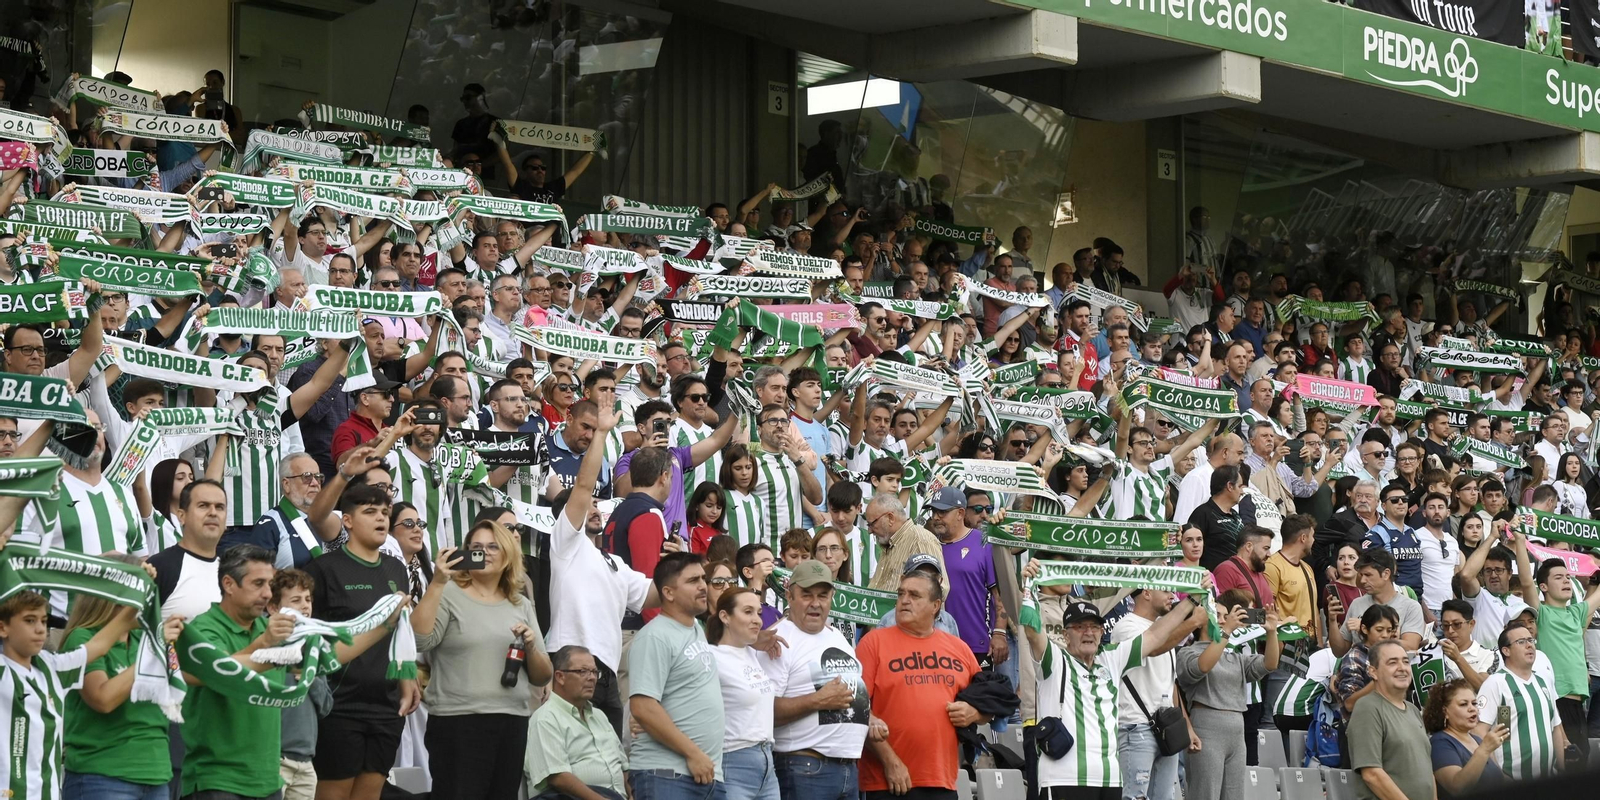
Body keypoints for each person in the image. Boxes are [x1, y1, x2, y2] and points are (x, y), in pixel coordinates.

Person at [176, 545, 397, 800]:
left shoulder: (270, 628)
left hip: (268, 780)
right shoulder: (203, 629)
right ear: (228, 584)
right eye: (258, 584)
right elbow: (220, 671)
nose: (267, 593)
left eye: (269, 584)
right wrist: (265, 643)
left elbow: (329, 656)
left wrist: (385, 626)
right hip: (218, 781)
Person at [415, 519, 553, 800]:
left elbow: (542, 676)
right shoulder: (448, 594)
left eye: (493, 546)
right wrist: (438, 582)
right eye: (476, 547)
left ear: (507, 553)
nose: (485, 552)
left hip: (511, 721)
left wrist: (531, 646)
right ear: (465, 553)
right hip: (458, 721)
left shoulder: (520, 603)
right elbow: (419, 640)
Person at [547, 404, 659, 736]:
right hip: (572, 665)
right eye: (588, 506)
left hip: (606, 672)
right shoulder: (567, 544)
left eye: (598, 504)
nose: (594, 509)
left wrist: (682, 566)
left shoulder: (615, 563)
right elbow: (583, 486)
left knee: (606, 754)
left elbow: (655, 593)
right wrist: (603, 433)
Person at [303, 481, 416, 800]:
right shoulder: (323, 569)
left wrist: (407, 679)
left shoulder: (396, 567)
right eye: (370, 512)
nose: (381, 518)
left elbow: (401, 629)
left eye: (384, 512)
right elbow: (308, 634)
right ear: (347, 521)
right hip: (340, 704)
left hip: (386, 705)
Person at [0, 587, 147, 800]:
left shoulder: (52, 667)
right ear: (3, 628)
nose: (41, 629)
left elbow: (99, 644)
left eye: (43, 620)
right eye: (29, 621)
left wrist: (136, 587)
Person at [60, 554, 187, 800]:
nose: (148, 601)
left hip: (157, 774)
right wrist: (156, 648)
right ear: (115, 594)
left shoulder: (148, 640)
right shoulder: (83, 638)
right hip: (102, 775)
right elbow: (102, 699)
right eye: (142, 591)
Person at [858, 569, 983, 800]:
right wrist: (890, 761)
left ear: (936, 606)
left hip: (942, 780)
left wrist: (974, 713)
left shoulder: (959, 649)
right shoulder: (873, 643)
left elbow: (990, 703)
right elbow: (857, 707)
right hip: (889, 781)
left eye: (914, 595)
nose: (905, 600)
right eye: (901, 594)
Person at [760, 559, 869, 800]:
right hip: (804, 768)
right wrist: (817, 701)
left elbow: (848, 696)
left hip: (848, 768)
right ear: (789, 596)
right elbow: (761, 710)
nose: (815, 603)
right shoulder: (778, 639)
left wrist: (872, 720)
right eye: (806, 595)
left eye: (822, 595)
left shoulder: (838, 637)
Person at [629, 552, 727, 798]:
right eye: (693, 581)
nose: (703, 586)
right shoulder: (655, 636)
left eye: (703, 579)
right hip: (667, 774)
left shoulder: (695, 627)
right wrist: (692, 753)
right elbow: (642, 707)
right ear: (669, 593)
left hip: (705, 774)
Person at [1177, 590, 1287, 800]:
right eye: (1216, 615)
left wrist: (1272, 632)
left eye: (1224, 616)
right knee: (1204, 794)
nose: (1222, 620)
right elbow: (1202, 667)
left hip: (1237, 727)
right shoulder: (1188, 652)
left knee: (1235, 794)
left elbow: (1269, 664)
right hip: (1207, 726)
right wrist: (1227, 632)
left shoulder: (1233, 656)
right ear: (1200, 621)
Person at [1108, 587, 1204, 800]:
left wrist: (1187, 727)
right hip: (1136, 727)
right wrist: (1192, 622)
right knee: (1135, 797)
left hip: (1166, 728)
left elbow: (1170, 685)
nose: (1173, 596)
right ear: (1147, 593)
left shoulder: (1162, 630)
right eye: (1166, 590)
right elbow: (1152, 648)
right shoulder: (1126, 625)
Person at [1518, 557, 1597, 764]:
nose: (1566, 582)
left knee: (1582, 759)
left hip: (1578, 702)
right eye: (1559, 577)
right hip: (1558, 701)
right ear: (1543, 586)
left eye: (1568, 577)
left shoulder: (1576, 613)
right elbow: (1526, 581)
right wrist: (1519, 540)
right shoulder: (1542, 613)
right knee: (1569, 767)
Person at [527, 645, 629, 800]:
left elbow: (623, 767)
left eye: (595, 672)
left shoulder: (600, 716)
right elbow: (558, 777)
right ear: (560, 677)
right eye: (582, 671)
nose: (592, 678)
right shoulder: (546, 718)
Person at [708, 586, 781, 800]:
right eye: (747, 612)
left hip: (768, 763)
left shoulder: (752, 653)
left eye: (758, 613)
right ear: (725, 616)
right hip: (732, 761)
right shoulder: (711, 656)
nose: (757, 620)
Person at [270, 569, 334, 800]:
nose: (305, 606)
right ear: (273, 608)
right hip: (273, 760)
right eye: (295, 600)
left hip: (306, 762)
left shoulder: (314, 647)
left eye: (308, 599)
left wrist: (311, 678)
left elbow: (326, 706)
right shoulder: (264, 646)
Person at [1348, 639, 1435, 800]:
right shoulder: (1367, 708)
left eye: (1406, 661)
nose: (1402, 668)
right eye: (1392, 663)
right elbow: (1372, 774)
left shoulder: (1414, 711)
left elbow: (1427, 771)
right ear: (1373, 672)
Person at [1328, 549, 1426, 657]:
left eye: (1368, 575)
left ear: (1386, 574)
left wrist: (1367, 628)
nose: (1363, 580)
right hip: (1360, 670)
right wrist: (1332, 620)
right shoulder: (1357, 604)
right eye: (1361, 575)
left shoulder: (1411, 607)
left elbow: (1410, 647)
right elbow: (1339, 651)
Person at [1424, 679, 1507, 798]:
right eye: (1463, 704)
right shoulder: (1440, 743)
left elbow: (1500, 779)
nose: (1472, 709)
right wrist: (1484, 750)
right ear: (1445, 711)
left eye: (1474, 703)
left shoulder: (1478, 740)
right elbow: (1457, 787)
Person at [863, 493, 945, 591]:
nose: (869, 531)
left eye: (871, 524)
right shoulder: (888, 542)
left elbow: (939, 589)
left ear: (890, 518)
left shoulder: (921, 540)